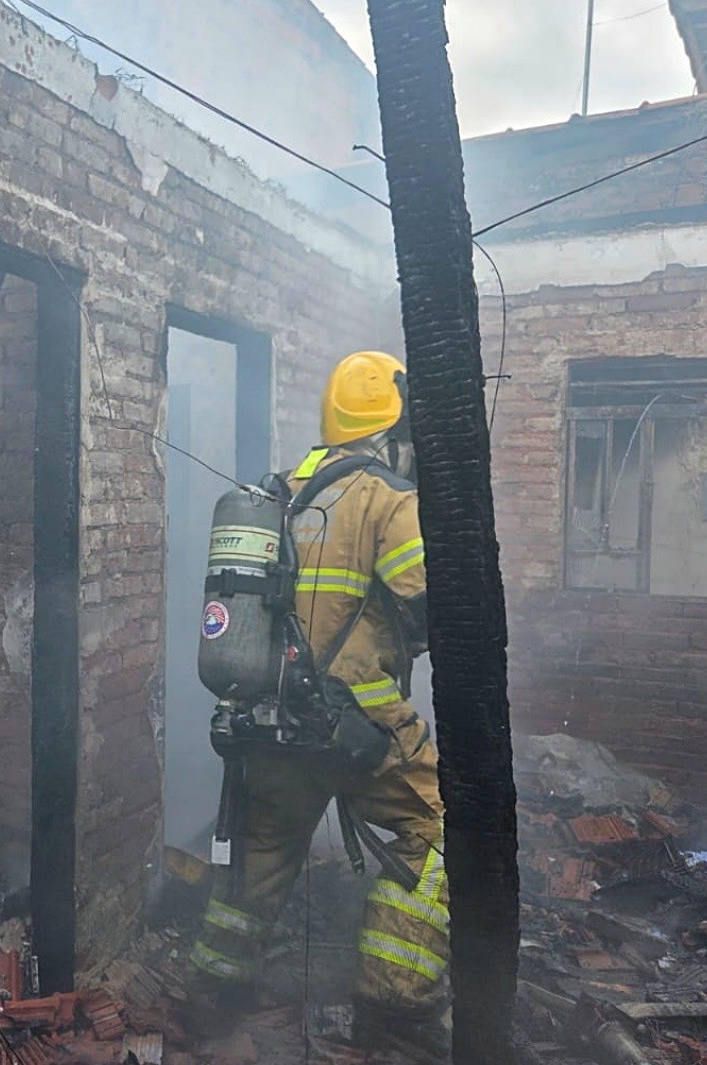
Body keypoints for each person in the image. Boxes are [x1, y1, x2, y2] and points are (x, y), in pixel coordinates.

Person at [186, 351, 450, 1055]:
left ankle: (210, 999)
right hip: (361, 726)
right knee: (438, 830)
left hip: (272, 724)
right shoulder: (388, 498)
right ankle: (395, 1004)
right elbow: (432, 604)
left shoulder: (279, 492)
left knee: (259, 858)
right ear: (390, 426)